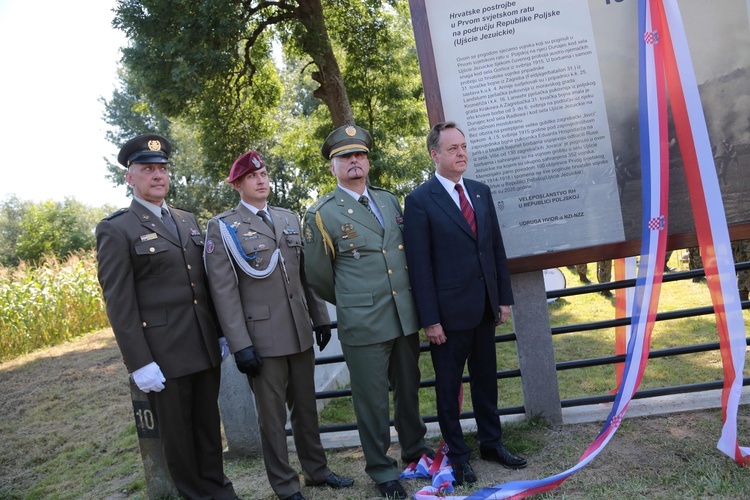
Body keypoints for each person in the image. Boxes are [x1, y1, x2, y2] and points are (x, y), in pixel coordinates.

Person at [203, 150, 354, 500]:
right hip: (262, 339)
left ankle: (316, 471)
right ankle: (286, 486)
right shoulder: (224, 227)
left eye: (265, 174)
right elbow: (223, 293)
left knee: (306, 409)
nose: (261, 180)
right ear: (238, 184)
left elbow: (304, 275)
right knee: (272, 420)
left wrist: (319, 317)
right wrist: (240, 344)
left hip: (298, 330)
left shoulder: (287, 218)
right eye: (253, 177)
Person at [95, 134, 238, 499]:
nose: (158, 175)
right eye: (147, 169)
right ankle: (196, 495)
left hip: (203, 344)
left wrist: (220, 333)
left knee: (208, 427)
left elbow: (203, 284)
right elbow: (119, 302)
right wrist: (139, 362)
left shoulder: (185, 219)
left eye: (162, 169)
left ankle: (219, 490)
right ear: (130, 177)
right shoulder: (117, 228)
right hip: (164, 354)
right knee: (179, 437)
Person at [303, 124, 432, 499]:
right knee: (372, 400)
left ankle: (414, 450)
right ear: (333, 166)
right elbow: (319, 277)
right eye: (345, 157)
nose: (354, 162)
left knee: (409, 389)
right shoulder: (322, 214)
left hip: (403, 314)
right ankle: (380, 469)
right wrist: (355, 297)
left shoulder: (389, 201)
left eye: (359, 155)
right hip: (364, 321)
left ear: (368, 160)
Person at [403, 121, 527, 485]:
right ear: (435, 154)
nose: (461, 153)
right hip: (448, 318)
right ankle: (458, 455)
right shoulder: (420, 201)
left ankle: (492, 443)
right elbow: (420, 267)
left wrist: (502, 297)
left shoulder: (479, 192)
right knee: (447, 389)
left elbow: (495, 250)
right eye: (452, 148)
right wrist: (431, 320)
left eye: (463, 146)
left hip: (485, 308)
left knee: (486, 382)